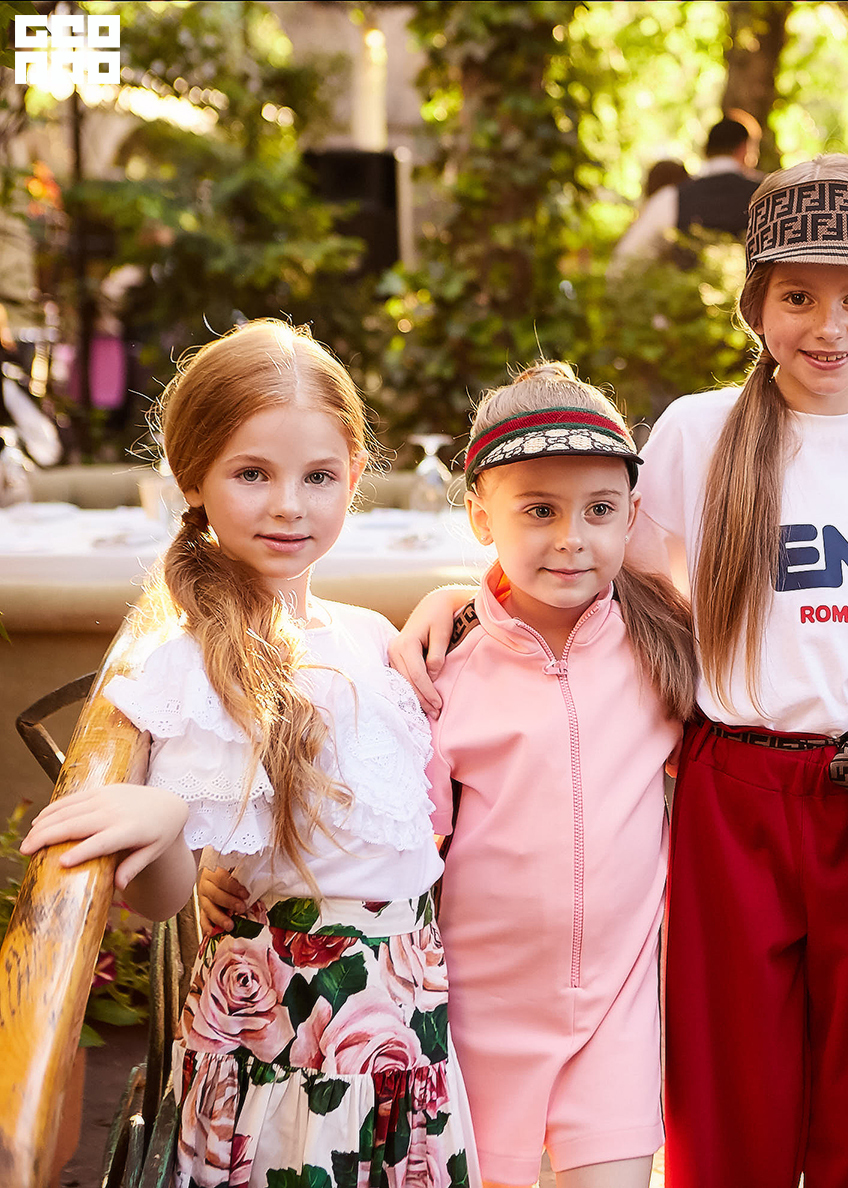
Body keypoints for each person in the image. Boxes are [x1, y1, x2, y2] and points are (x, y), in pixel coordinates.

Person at [392, 154, 848, 1188]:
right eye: (797, 297)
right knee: (728, 1088)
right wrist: (465, 600)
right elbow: (598, 572)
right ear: (756, 305)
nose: (828, 326)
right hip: (732, 791)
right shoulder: (696, 433)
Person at [204, 363, 696, 1188]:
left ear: (631, 515)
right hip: (475, 1015)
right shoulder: (439, 671)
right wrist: (234, 864)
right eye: (538, 510)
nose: (571, 537)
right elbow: (384, 833)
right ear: (479, 516)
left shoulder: (663, 648)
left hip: (617, 1013)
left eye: (599, 510)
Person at [21, 319, 478, 1188]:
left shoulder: (368, 633)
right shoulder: (189, 662)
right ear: (193, 479)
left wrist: (465, 592)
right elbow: (163, 899)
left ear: (354, 475)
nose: (288, 506)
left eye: (319, 477)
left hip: (402, 1015)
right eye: (252, 474)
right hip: (289, 1036)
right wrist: (164, 822)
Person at [611, 112, 763, 272]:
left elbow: (624, 261)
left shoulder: (672, 197)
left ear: (706, 151)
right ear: (744, 149)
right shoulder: (769, 195)